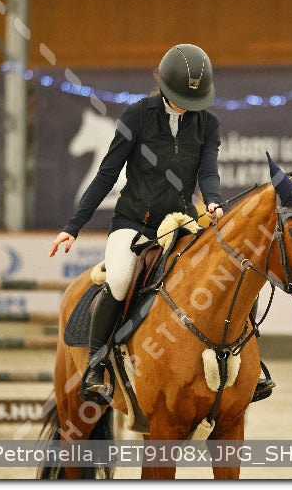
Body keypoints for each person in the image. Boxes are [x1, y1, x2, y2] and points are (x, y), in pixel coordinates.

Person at [49, 43, 274, 404]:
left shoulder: (208, 123)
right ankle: (95, 364)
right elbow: (107, 174)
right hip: (134, 222)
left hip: (183, 221)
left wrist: (213, 200)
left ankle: (251, 366)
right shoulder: (136, 116)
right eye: (182, 98)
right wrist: (73, 226)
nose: (188, 106)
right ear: (165, 87)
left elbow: (208, 171)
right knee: (121, 278)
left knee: (230, 272)